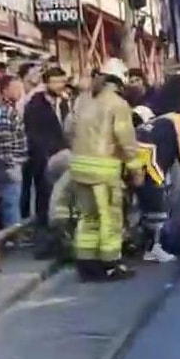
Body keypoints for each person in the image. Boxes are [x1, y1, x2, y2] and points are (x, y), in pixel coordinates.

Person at [67, 71, 144, 281]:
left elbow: (69, 130)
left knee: (88, 217)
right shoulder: (118, 104)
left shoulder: (83, 101)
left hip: (79, 167)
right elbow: (126, 139)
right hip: (104, 169)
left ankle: (86, 263)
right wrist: (135, 168)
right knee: (110, 218)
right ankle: (111, 263)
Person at [134, 104, 180, 263]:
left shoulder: (164, 119)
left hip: (136, 155)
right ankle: (155, 248)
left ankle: (147, 246)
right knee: (158, 201)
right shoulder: (179, 123)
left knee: (147, 203)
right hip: (147, 158)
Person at [23, 66, 70, 252]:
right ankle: (44, 242)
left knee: (62, 198)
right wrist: (46, 154)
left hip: (63, 156)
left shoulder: (63, 103)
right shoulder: (35, 105)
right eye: (56, 81)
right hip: (44, 159)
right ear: (46, 82)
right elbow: (33, 134)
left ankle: (61, 238)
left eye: (62, 81)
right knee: (45, 198)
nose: (60, 85)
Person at [0, 75, 28, 229]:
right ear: (5, 91)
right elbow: (4, 139)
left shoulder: (4, 109)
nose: (20, 92)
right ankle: (13, 236)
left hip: (9, 163)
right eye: (16, 88)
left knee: (11, 200)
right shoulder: (4, 111)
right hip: (9, 164)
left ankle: (13, 233)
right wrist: (10, 165)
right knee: (11, 201)